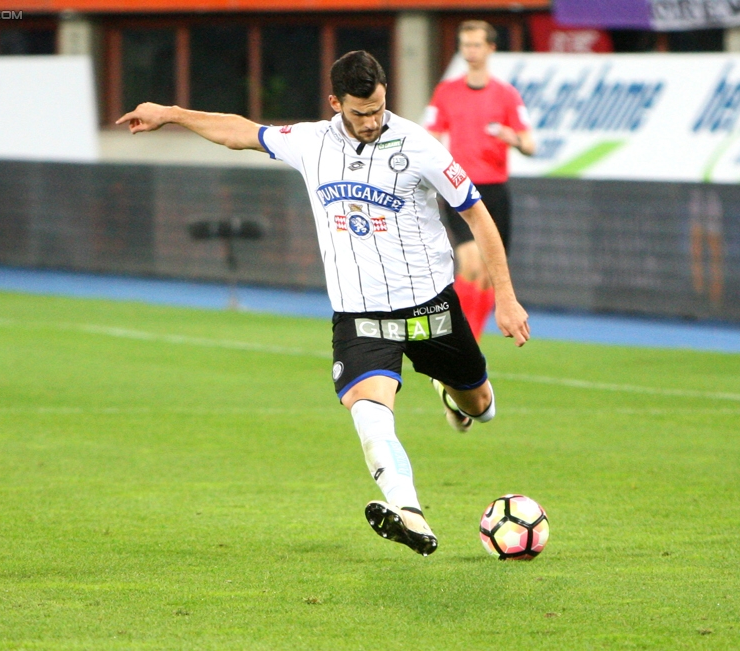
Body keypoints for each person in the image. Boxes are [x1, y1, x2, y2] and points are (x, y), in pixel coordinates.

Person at [117, 50, 530, 557]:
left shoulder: (418, 147)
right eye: (359, 113)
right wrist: (173, 115)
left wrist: (506, 298)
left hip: (429, 311)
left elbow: (478, 216)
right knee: (370, 415)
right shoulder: (311, 142)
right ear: (335, 103)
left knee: (480, 405)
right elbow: (239, 131)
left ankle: (454, 395)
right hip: (360, 316)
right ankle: (411, 513)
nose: (372, 121)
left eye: (378, 108)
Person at [425, 20, 535, 340]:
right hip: (460, 187)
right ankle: (453, 337)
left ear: (490, 49)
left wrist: (511, 138)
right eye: (464, 45)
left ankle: (470, 340)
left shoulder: (506, 95)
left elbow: (529, 143)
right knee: (471, 262)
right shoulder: (447, 91)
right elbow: (431, 135)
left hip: (495, 190)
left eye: (475, 45)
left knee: (489, 273)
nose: (469, 51)